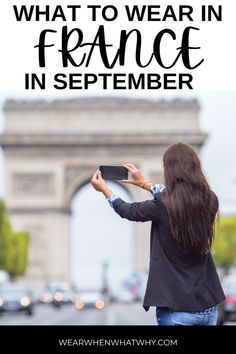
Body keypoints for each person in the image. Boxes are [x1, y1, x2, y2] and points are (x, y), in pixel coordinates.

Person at [91, 142, 225, 326]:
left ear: (169, 171)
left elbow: (128, 211)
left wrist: (105, 190)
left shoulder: (162, 205)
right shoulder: (211, 200)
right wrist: (145, 184)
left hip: (175, 308)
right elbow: (180, 197)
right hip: (207, 308)